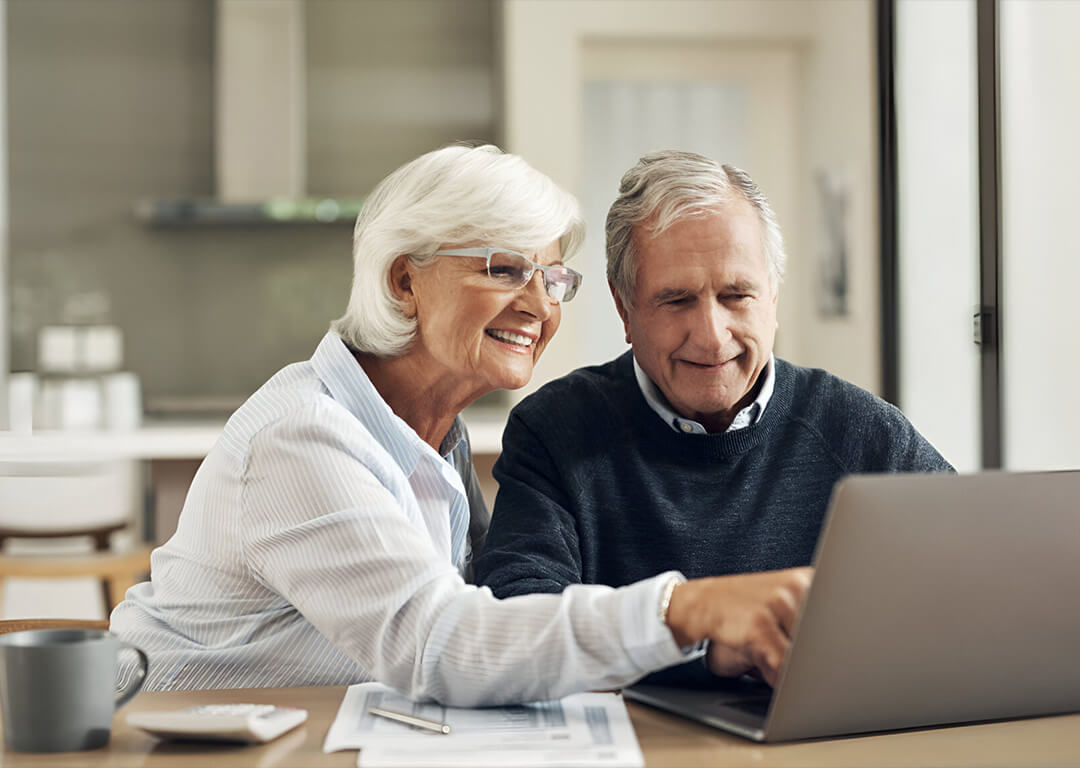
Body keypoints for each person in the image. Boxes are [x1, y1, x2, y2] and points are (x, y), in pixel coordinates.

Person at [111, 144, 812, 705]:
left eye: (552, 277)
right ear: (403, 282)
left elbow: (500, 628)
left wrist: (707, 647)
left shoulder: (433, 436)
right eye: (504, 269)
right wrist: (684, 609)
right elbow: (442, 645)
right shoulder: (300, 437)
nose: (539, 304)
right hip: (162, 745)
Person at [474, 150, 953, 687]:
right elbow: (514, 622)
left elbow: (972, 575)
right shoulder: (554, 430)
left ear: (773, 296)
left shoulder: (863, 431)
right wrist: (700, 646)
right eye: (676, 300)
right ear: (624, 308)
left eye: (736, 295)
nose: (711, 335)